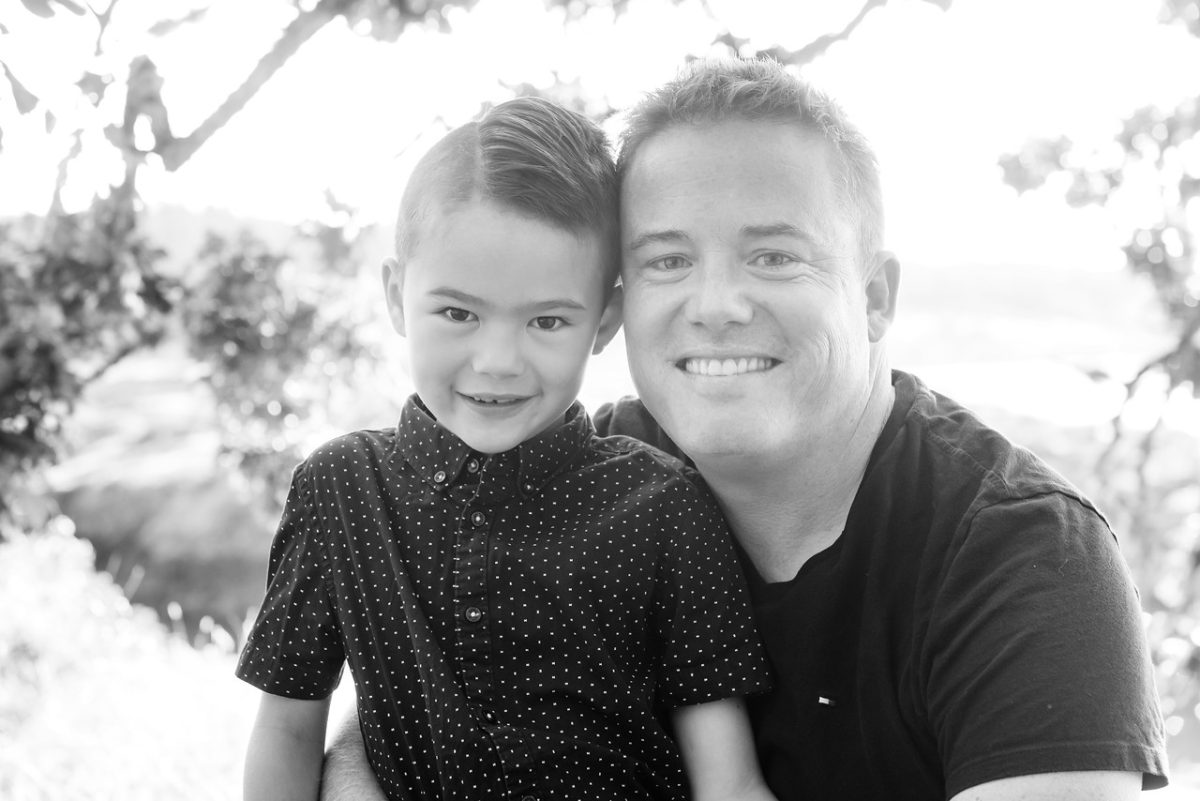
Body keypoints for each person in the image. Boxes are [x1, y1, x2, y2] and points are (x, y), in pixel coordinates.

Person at [321, 60, 1171, 800]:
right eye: (667, 259)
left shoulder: (1022, 556)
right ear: (617, 303)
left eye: (773, 255)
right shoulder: (572, 476)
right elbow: (403, 721)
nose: (717, 305)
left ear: (875, 296)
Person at [237, 95, 778, 801]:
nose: (497, 361)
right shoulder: (340, 488)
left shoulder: (665, 505)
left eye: (547, 320)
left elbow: (727, 782)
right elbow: (285, 728)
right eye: (458, 312)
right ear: (397, 295)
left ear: (606, 320)